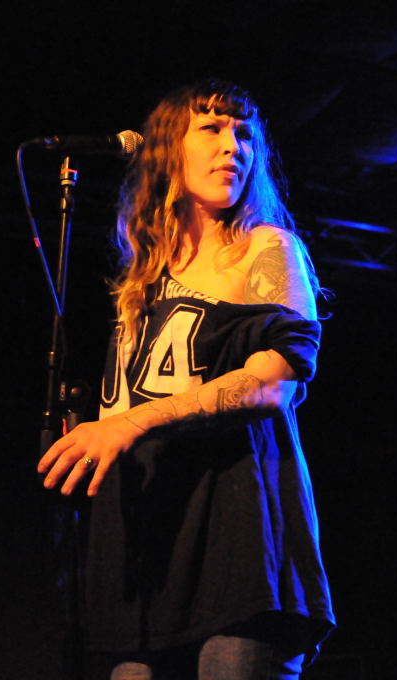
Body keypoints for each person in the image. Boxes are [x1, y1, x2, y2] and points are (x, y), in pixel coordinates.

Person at [38, 80, 334, 680]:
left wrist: (132, 422)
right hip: (147, 559)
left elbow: (275, 382)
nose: (233, 147)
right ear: (167, 149)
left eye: (244, 135)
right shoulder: (139, 282)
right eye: (212, 129)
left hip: (235, 548)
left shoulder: (265, 248)